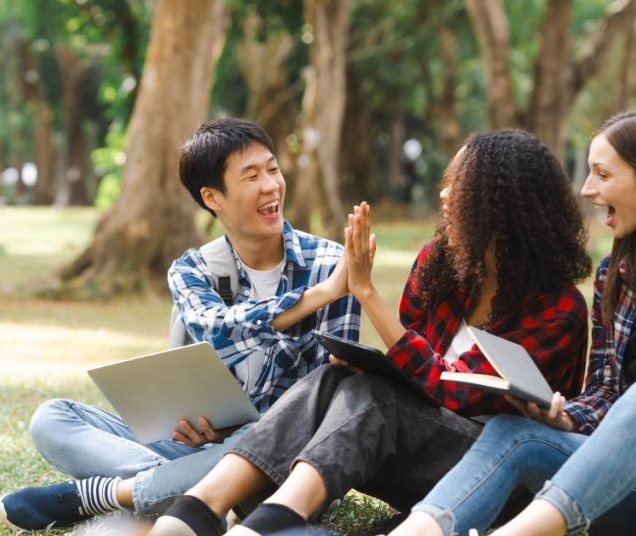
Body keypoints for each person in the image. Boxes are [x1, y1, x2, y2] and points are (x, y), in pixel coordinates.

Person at [390, 33, 636, 536]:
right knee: (517, 431)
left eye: (602, 174)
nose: (587, 190)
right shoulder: (614, 277)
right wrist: (563, 416)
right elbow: (604, 394)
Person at [150, 128, 594, 536]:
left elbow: (457, 393)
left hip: (495, 475)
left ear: (500, 207)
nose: (444, 195)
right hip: (416, 458)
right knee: (334, 378)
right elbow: (417, 375)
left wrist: (365, 293)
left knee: (375, 398)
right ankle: (202, 507)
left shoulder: (558, 309)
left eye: (459, 187)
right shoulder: (441, 266)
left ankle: (269, 521)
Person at [0, 118, 361, 531]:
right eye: (252, 176)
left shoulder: (331, 265)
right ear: (213, 197)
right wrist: (192, 426)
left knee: (266, 435)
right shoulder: (194, 270)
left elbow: (326, 399)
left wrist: (329, 289)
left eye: (273, 169)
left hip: (282, 461)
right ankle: (199, 500)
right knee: (52, 417)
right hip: (195, 451)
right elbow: (217, 329)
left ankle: (107, 495)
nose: (271, 185)